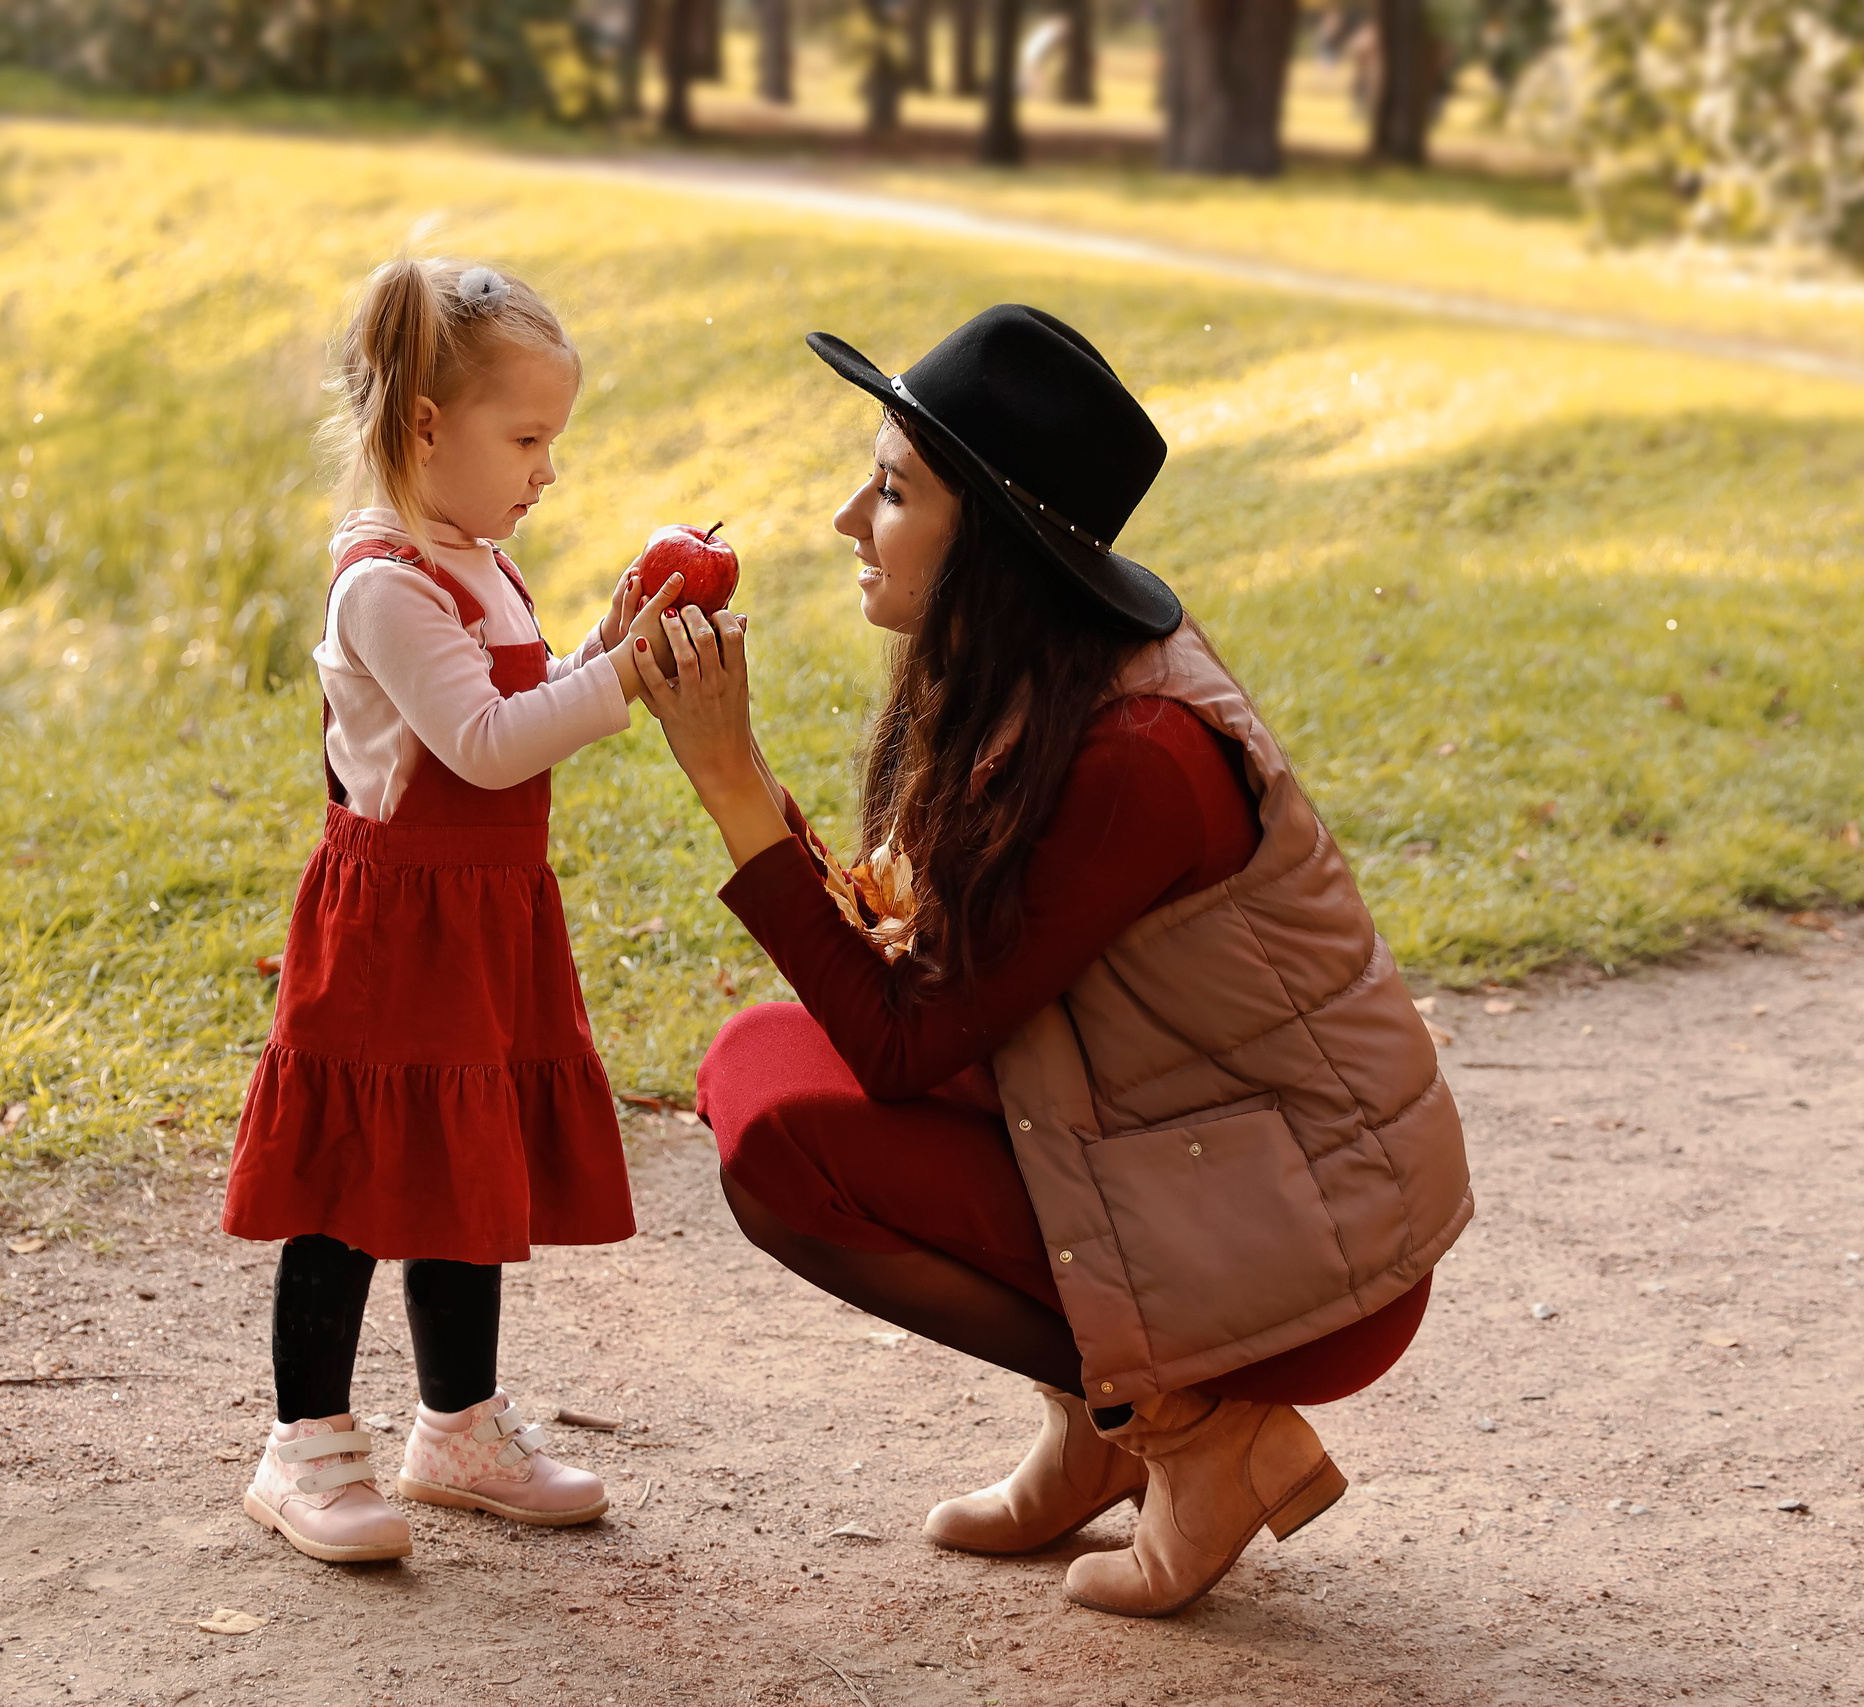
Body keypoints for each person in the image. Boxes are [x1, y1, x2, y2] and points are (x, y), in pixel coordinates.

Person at [632, 305, 1472, 1617]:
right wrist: (739, 775)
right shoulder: (1031, 675)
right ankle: (1099, 1428)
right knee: (760, 1064)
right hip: (1184, 1161)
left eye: (892, 491)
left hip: (1307, 1247)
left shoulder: (1135, 758)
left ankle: (1195, 1432)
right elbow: (926, 993)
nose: (850, 518)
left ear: (996, 542)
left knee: (788, 1148)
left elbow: (904, 1043)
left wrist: (732, 781)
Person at [224, 256, 685, 1563]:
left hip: (478, 920)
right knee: (354, 1183)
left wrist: (601, 649)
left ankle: (459, 1429)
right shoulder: (383, 582)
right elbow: (482, 746)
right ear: (426, 427)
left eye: (552, 442)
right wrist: (619, 682)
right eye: (526, 440)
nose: (548, 471)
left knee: (459, 1165)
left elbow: (513, 712)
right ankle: (304, 1447)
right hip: (392, 930)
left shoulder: (479, 561)